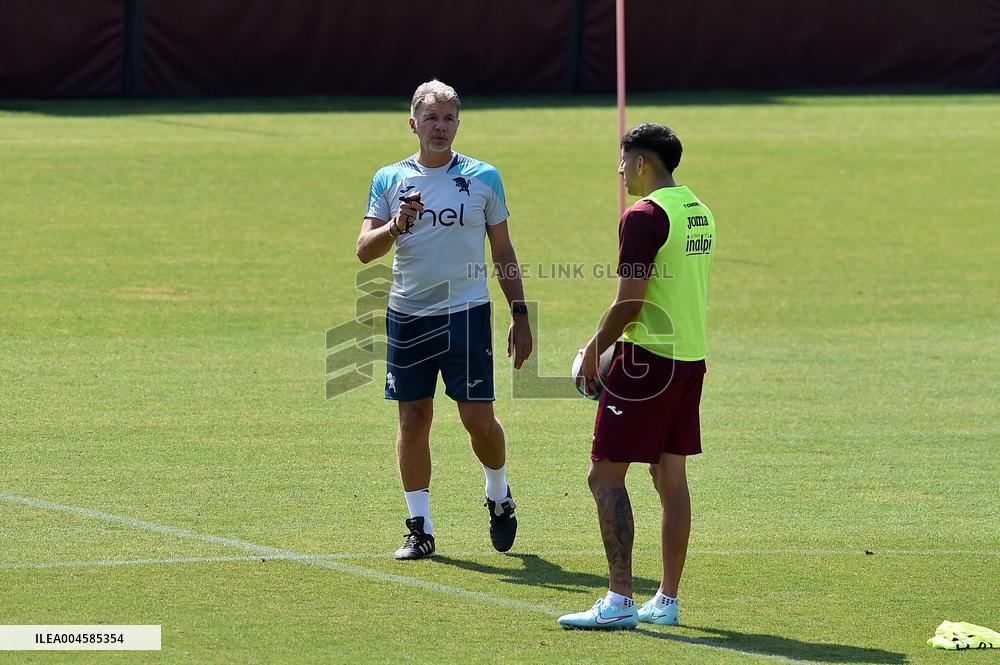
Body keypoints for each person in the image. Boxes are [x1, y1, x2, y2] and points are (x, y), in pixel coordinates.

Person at [355, 79, 532, 560]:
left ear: (458, 123)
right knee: (413, 420)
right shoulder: (389, 180)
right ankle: (420, 527)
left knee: (478, 420)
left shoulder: (484, 177)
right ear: (412, 124)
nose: (440, 127)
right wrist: (397, 225)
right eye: (431, 118)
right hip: (407, 315)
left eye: (448, 118)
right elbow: (364, 250)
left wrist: (520, 312)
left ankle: (498, 492)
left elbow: (503, 250)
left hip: (467, 316)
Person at [558, 123, 716, 629]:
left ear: (642, 162)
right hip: (690, 359)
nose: (620, 170)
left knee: (604, 475)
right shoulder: (699, 210)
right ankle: (665, 602)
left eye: (623, 161)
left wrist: (592, 352)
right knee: (670, 477)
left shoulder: (644, 215)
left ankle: (619, 599)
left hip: (647, 361)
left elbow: (630, 303)